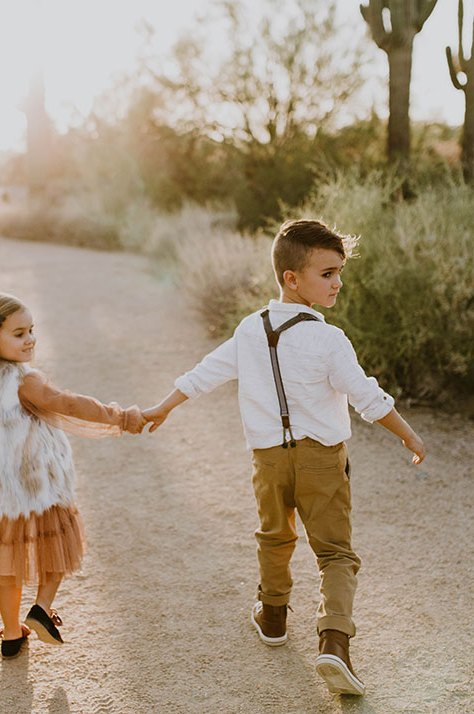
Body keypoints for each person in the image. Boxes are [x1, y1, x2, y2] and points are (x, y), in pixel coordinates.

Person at [142, 219, 425, 696]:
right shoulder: (329, 339)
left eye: (338, 273)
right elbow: (366, 395)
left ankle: (272, 616)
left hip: (269, 459)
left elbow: (205, 373)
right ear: (291, 278)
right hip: (321, 460)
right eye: (327, 274)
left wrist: (162, 408)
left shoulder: (250, 329)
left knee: (274, 536)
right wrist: (409, 435)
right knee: (335, 552)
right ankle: (334, 642)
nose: (337, 283)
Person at [0, 292, 145, 659]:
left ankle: (11, 634)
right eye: (19, 334)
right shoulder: (24, 381)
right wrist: (119, 416)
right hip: (36, 488)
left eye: (31, 331)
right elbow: (68, 405)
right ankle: (42, 608)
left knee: (6, 567)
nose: (30, 340)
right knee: (57, 548)